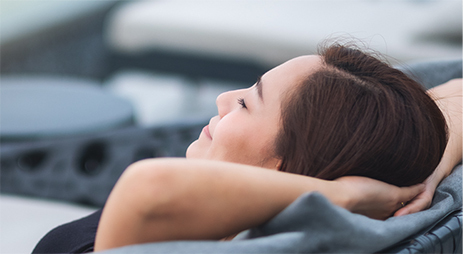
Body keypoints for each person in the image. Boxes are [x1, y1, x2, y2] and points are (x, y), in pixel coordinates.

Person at [33, 44, 462, 253]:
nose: (223, 98)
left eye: (245, 102)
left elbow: (148, 187)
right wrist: (430, 170)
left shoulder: (153, 237)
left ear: (287, 167)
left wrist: (346, 194)